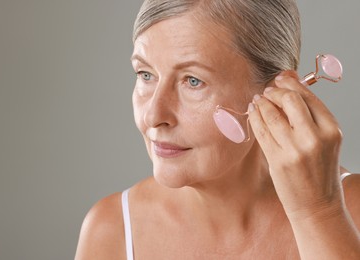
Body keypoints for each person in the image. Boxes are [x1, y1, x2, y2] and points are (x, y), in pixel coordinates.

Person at [75, 0, 360, 259]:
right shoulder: (111, 231)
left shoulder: (352, 212)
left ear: (275, 91)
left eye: (193, 81)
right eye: (145, 74)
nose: (153, 115)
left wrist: (318, 213)